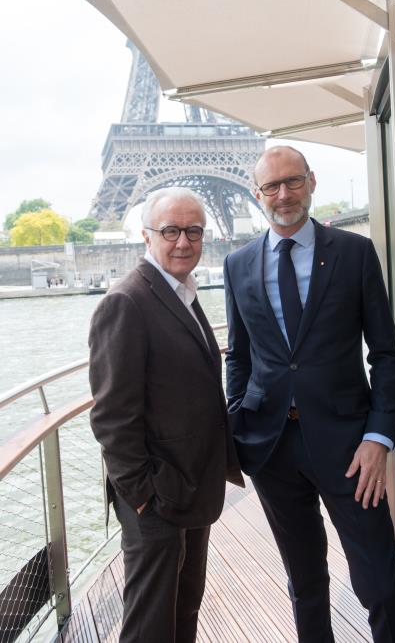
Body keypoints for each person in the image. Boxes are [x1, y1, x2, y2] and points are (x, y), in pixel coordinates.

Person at [223, 146, 395, 643]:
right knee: (304, 579)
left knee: (380, 579)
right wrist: (237, 424)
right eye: (271, 186)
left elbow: (387, 355)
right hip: (271, 447)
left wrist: (379, 436)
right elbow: (239, 357)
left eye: (292, 182)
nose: (283, 195)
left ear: (312, 182)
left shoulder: (353, 253)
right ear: (257, 193)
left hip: (352, 448)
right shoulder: (238, 264)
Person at [89, 186, 244, 643]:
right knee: (151, 621)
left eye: (193, 231)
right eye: (171, 231)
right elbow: (113, 417)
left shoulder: (182, 292)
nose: (183, 242)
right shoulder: (126, 301)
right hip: (156, 496)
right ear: (146, 236)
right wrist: (142, 497)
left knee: (184, 605)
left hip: (190, 483)